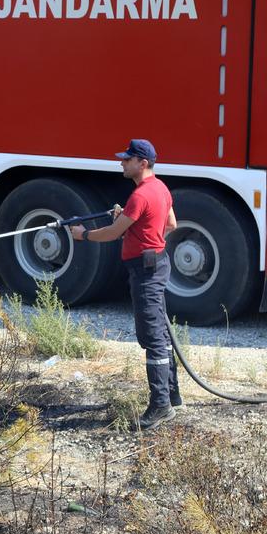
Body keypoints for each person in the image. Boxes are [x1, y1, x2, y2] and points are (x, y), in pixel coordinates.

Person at [68, 139, 179, 430]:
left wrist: (83, 235)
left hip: (145, 270)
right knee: (160, 333)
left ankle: (160, 407)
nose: (121, 163)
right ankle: (172, 396)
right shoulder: (161, 189)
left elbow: (113, 233)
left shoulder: (140, 195)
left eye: (127, 159)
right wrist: (138, 229)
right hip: (157, 263)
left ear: (142, 164)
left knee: (152, 336)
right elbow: (171, 225)